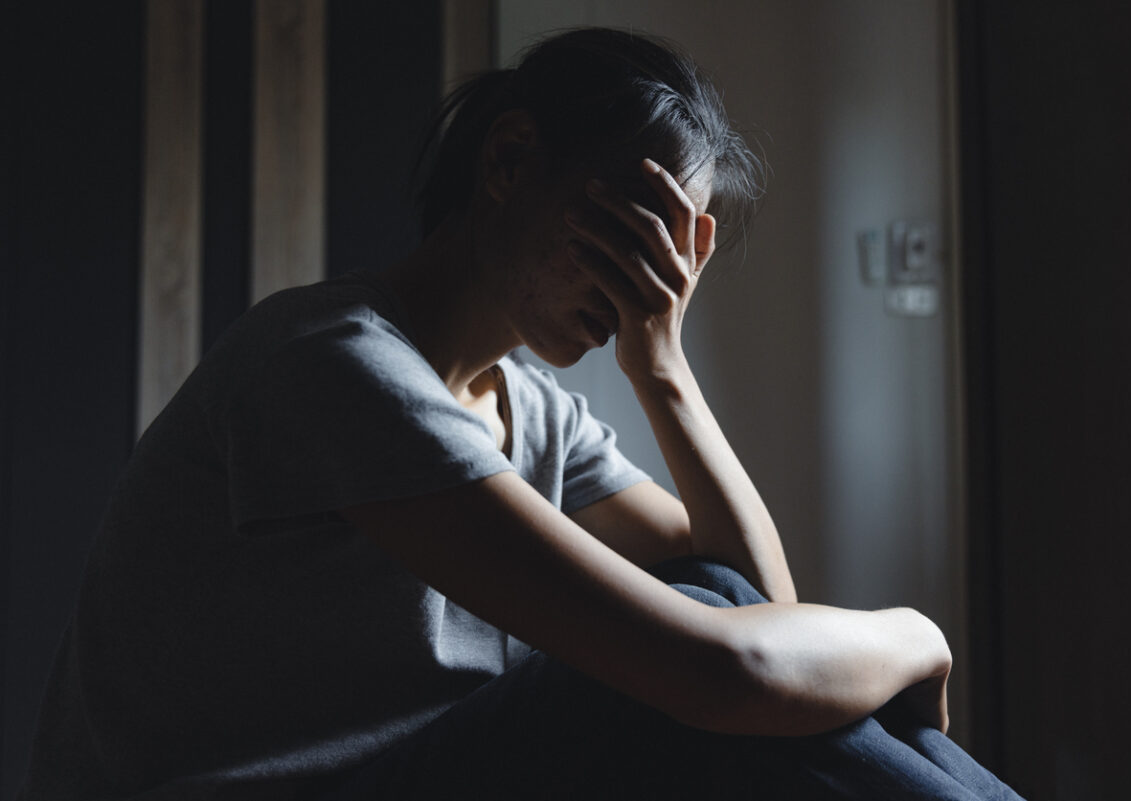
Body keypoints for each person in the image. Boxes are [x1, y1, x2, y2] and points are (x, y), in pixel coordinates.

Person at [20, 27, 1024, 801]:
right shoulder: (332, 368)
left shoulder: (527, 410)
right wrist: (916, 634)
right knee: (652, 676)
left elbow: (753, 602)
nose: (655, 285)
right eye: (637, 239)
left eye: (682, 256)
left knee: (705, 605)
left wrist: (663, 367)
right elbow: (731, 670)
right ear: (508, 164)